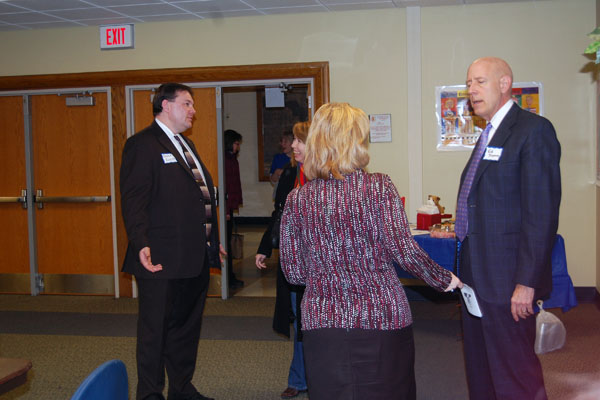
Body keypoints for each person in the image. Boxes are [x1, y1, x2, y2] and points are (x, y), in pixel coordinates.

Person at [279, 103, 462, 400]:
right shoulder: (378, 187)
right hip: (381, 317)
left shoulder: (297, 198)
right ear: (355, 141)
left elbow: (295, 273)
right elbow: (404, 250)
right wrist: (445, 279)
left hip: (323, 322)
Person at [455, 57, 561, 400]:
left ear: (505, 84)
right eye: (469, 83)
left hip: (509, 280)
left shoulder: (533, 130)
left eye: (480, 82)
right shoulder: (489, 134)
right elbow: (486, 200)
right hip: (476, 275)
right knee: (481, 367)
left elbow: (540, 214)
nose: (471, 90)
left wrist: (526, 283)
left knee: (515, 374)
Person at [120, 82, 225, 400]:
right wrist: (141, 243)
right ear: (165, 105)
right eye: (187, 104)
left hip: (194, 256)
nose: (193, 110)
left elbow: (201, 198)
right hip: (160, 257)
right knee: (154, 331)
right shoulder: (143, 144)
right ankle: (150, 393)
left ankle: (181, 388)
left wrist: (212, 240)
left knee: (186, 329)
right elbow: (134, 200)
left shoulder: (185, 145)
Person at [256, 121, 310, 399]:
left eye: (300, 141)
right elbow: (279, 215)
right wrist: (265, 246)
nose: (293, 146)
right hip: (293, 262)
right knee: (300, 322)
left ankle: (320, 377)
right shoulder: (290, 174)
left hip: (320, 263)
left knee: (315, 323)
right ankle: (298, 379)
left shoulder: (325, 175)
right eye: (294, 141)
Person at [224, 129, 244, 289]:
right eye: (236, 143)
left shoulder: (232, 159)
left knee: (228, 243)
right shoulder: (225, 160)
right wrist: (226, 208)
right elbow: (227, 186)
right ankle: (227, 278)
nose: (238, 147)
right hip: (226, 207)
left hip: (229, 206)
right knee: (226, 244)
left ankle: (230, 276)